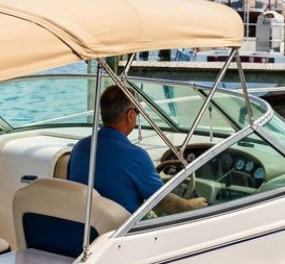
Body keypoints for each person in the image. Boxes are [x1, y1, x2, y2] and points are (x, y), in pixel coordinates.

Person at [67, 86, 207, 215]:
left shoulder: (79, 147)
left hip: (85, 227)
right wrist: (190, 205)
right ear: (130, 115)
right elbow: (162, 202)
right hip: (121, 232)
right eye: (137, 112)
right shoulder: (135, 156)